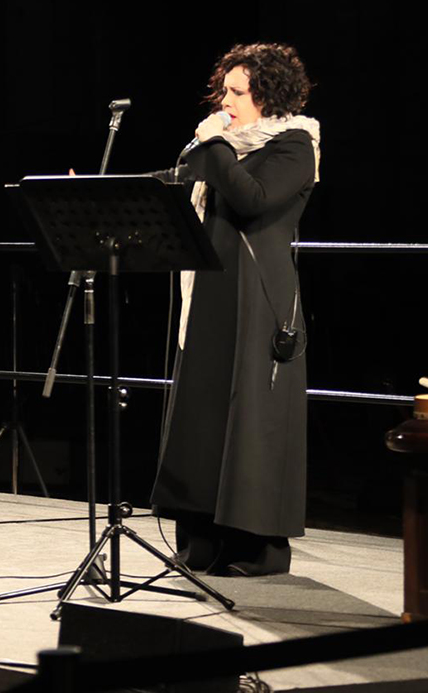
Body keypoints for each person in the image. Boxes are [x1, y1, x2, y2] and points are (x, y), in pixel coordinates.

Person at [150, 42, 319, 576]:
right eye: (224, 90)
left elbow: (253, 199)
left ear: (269, 95)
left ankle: (255, 548)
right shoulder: (220, 147)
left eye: (237, 92)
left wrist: (217, 144)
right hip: (210, 292)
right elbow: (175, 185)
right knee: (203, 412)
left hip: (258, 297)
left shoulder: (295, 145)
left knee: (252, 419)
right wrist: (100, 193)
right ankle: (201, 541)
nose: (225, 102)